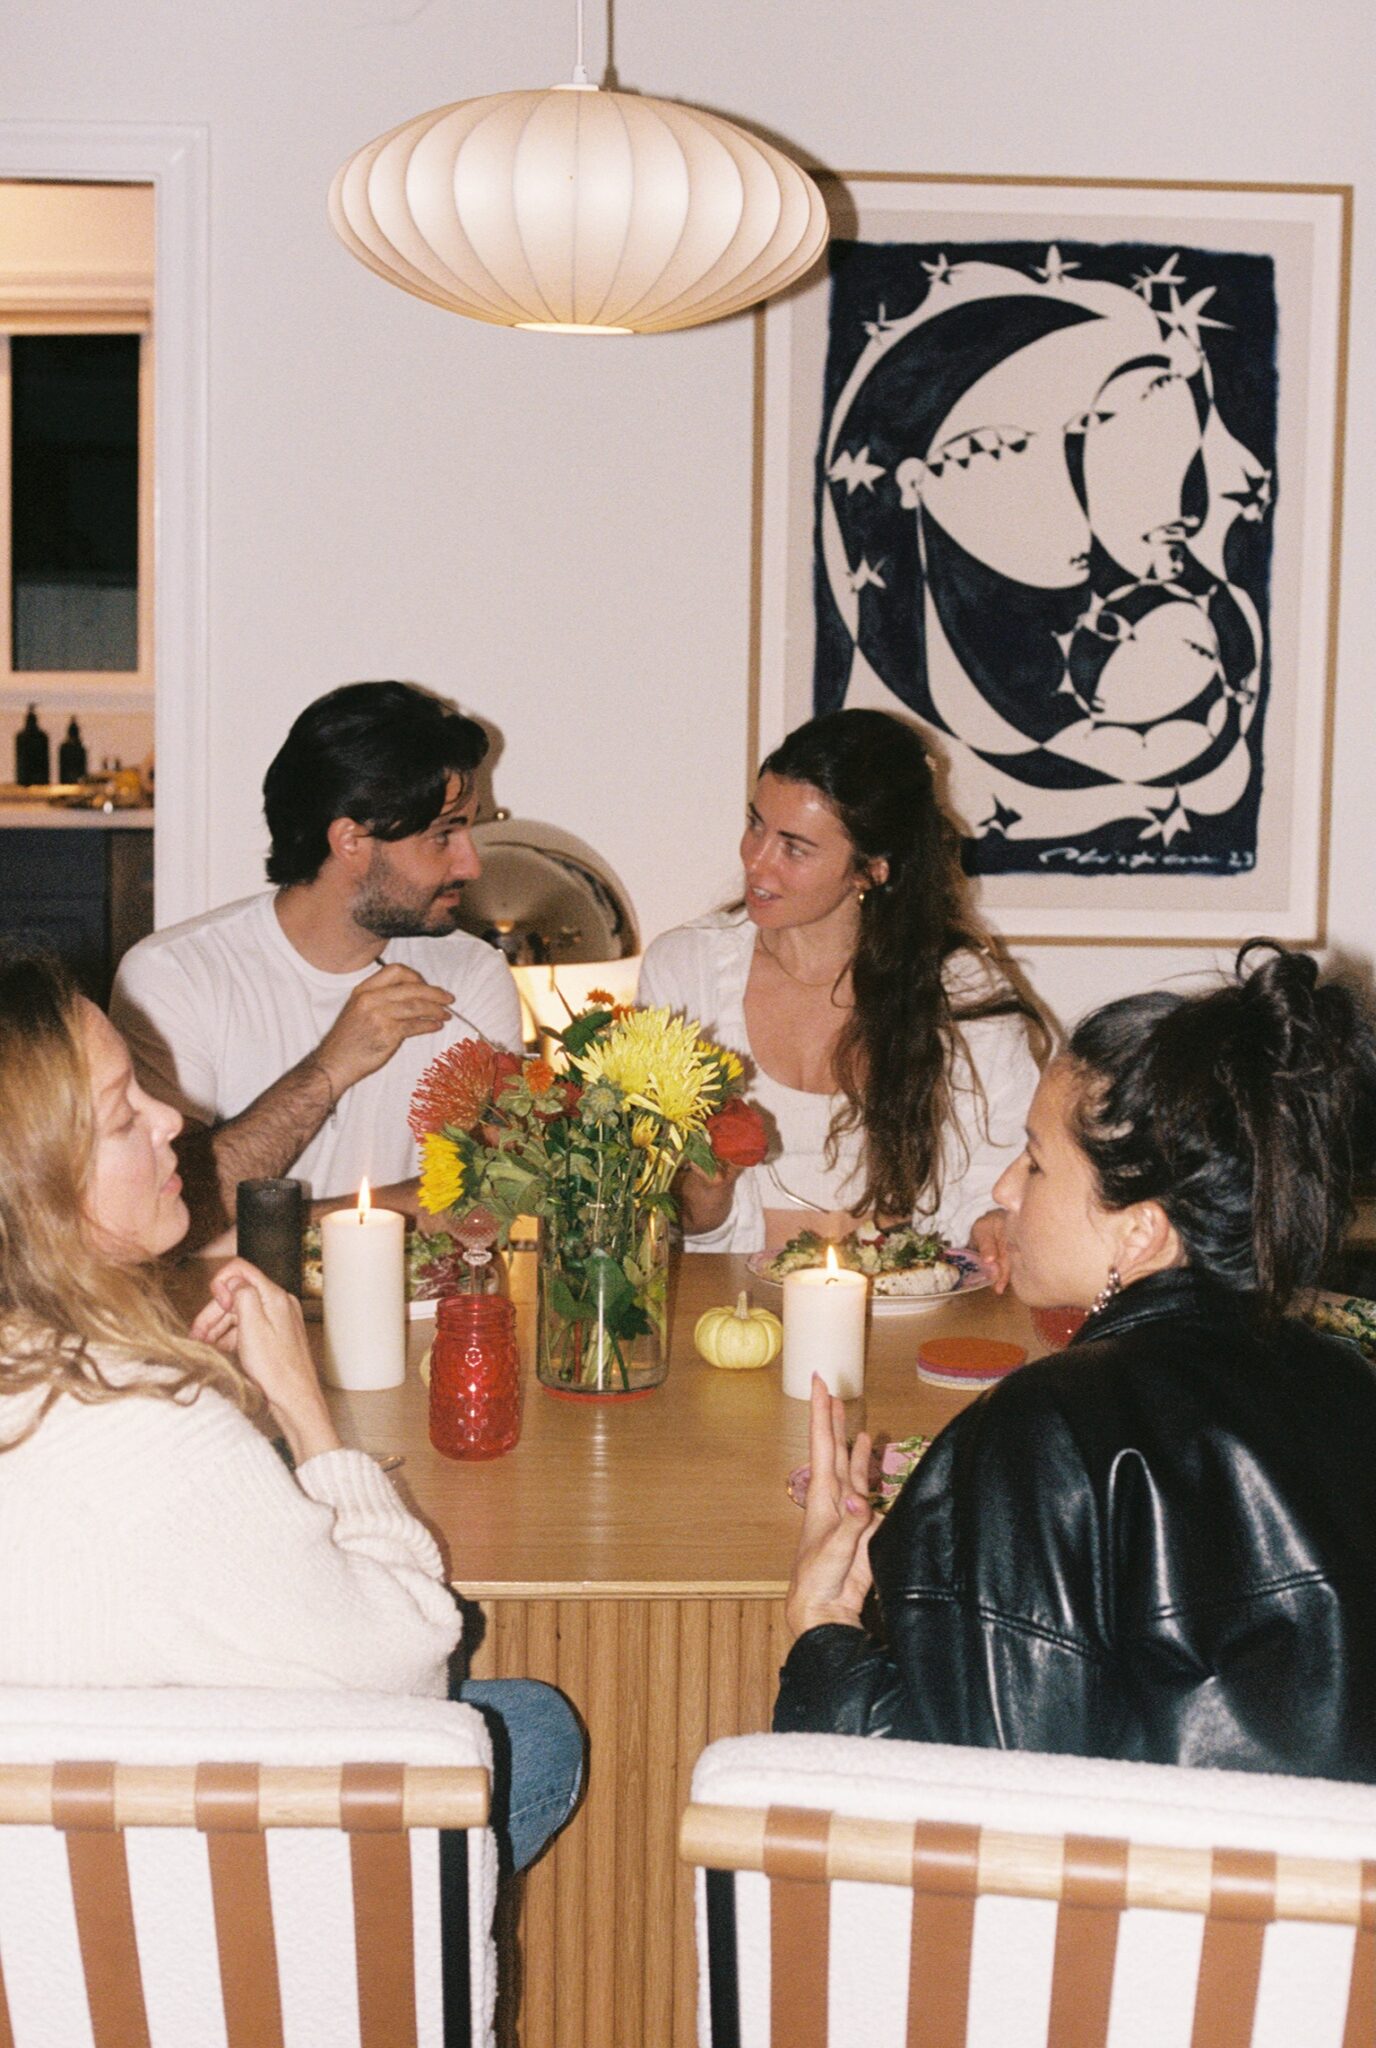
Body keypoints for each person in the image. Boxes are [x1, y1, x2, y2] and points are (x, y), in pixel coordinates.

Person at [0, 955, 581, 1872]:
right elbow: (409, 1669)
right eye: (123, 1115)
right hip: (183, 1893)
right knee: (535, 1732)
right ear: (36, 1190)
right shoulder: (148, 1421)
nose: (173, 1123)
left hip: (40, 1898)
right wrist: (305, 1412)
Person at [776, 943, 1376, 1780]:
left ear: (1140, 1230)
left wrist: (823, 1626)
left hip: (1142, 1907)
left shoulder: (1045, 1430)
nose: (1004, 1190)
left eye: (1037, 1160)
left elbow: (980, 1805)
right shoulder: (1350, 1386)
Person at [111, 681, 522, 1244]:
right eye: (442, 836)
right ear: (351, 840)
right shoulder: (174, 976)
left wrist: (269, 1225)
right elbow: (172, 1214)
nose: (471, 864)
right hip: (222, 1321)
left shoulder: (471, 973)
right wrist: (329, 1069)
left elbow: (490, 1198)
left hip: (421, 1323)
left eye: (469, 829)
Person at [637, 709, 1045, 1254]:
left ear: (871, 870)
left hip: (906, 1311)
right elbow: (661, 1215)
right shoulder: (686, 968)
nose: (756, 863)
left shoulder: (961, 987)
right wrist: (707, 1195)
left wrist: (992, 1223)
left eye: (795, 848)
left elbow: (996, 1175)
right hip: (732, 1312)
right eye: (756, 823)